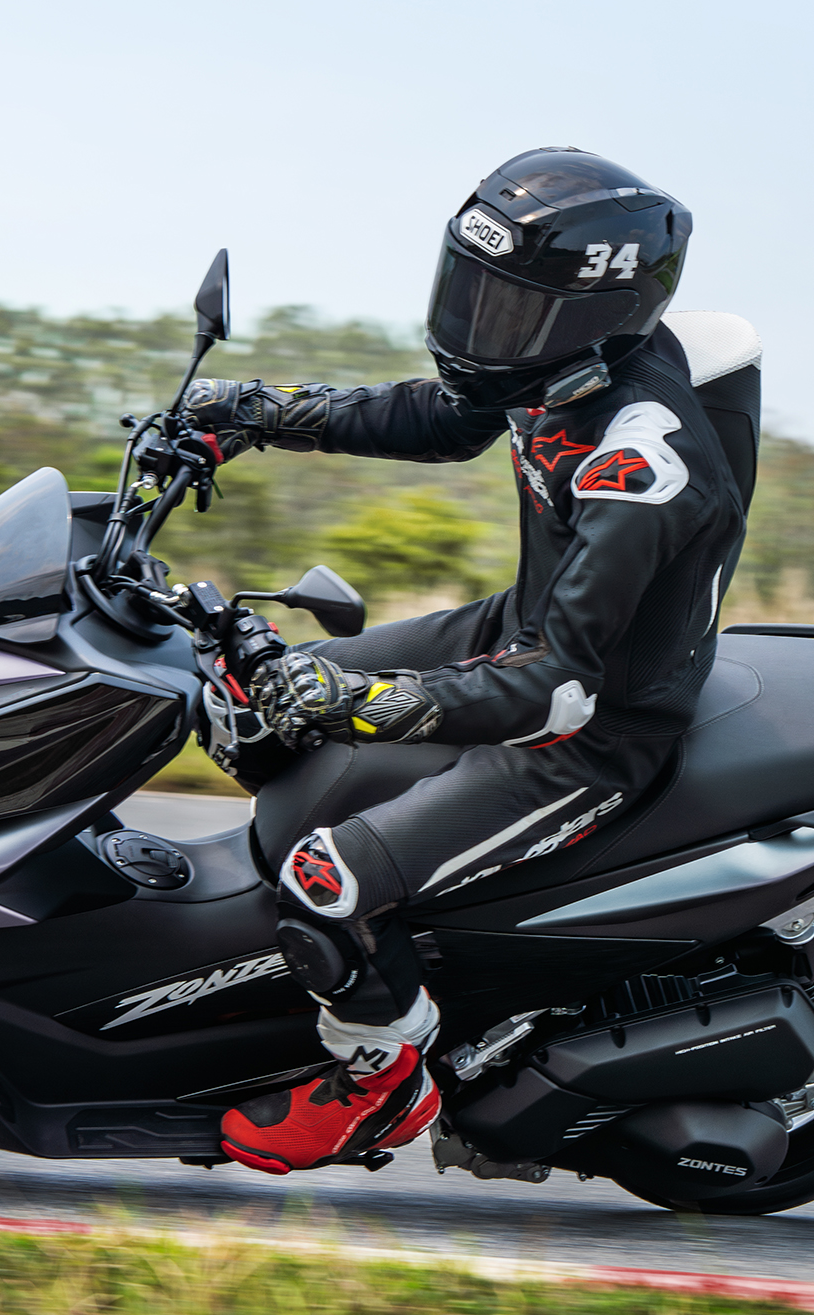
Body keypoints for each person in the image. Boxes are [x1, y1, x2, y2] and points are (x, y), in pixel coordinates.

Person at [174, 148, 747, 1176]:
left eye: (512, 308)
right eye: (474, 291)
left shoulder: (643, 462)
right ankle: (316, 965)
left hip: (591, 728)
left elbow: (556, 690)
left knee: (328, 881)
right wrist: (257, 411)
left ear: (597, 317)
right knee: (249, 700)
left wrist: (362, 699)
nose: (482, 324)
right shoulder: (552, 365)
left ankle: (382, 1083)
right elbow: (443, 420)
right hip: (517, 627)